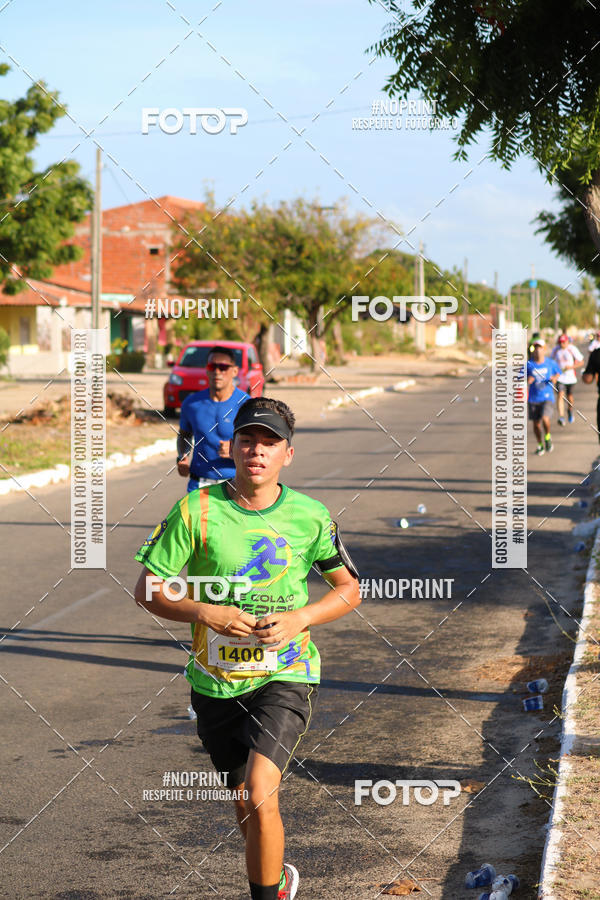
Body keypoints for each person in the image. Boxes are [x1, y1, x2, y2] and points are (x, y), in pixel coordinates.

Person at [134, 397, 361, 900]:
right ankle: (275, 881)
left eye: (270, 442)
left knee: (261, 791)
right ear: (231, 446)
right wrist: (204, 611)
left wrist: (301, 617)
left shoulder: (310, 516)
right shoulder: (197, 509)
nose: (257, 450)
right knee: (245, 802)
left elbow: (349, 588)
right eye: (248, 440)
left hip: (286, 672)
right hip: (215, 681)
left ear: (288, 454)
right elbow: (148, 587)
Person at [177, 345, 249, 492]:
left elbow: (257, 445)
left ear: (234, 371)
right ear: (207, 369)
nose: (217, 371)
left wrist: (233, 451)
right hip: (199, 483)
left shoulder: (246, 404)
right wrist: (182, 456)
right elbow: (184, 435)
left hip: (235, 483)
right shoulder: (192, 404)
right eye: (212, 366)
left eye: (223, 367)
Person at [527, 338, 561, 455]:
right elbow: (519, 378)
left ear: (544, 349)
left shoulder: (550, 362)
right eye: (535, 348)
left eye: (539, 348)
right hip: (533, 398)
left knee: (545, 419)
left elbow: (558, 372)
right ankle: (540, 445)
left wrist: (555, 378)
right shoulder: (529, 364)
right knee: (536, 424)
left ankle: (547, 437)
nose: (537, 350)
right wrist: (528, 379)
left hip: (547, 397)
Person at [550, 333, 583, 425]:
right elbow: (550, 361)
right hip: (560, 377)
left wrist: (571, 367)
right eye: (560, 342)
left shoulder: (572, 349)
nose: (562, 344)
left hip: (571, 378)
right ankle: (561, 417)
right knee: (560, 394)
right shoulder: (556, 350)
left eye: (564, 342)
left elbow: (581, 362)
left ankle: (570, 410)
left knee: (570, 397)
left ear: (567, 342)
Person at [582, 345, 600, 442]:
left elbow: (588, 378)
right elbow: (588, 377)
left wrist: (585, 376)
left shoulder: (596, 354)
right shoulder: (596, 354)